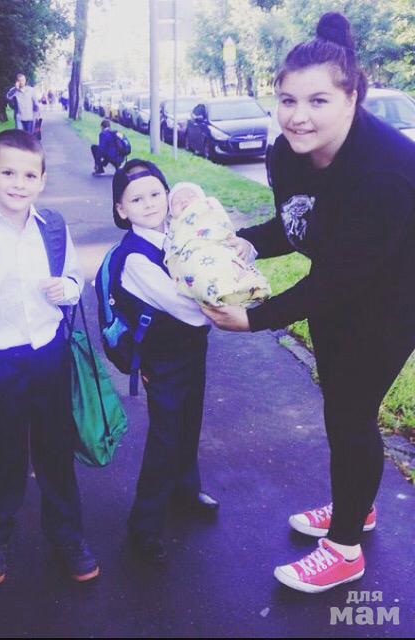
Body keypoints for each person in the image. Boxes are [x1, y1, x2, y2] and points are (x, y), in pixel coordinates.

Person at [204, 12, 415, 593]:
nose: (299, 116)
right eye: (288, 99)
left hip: (396, 298)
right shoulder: (287, 152)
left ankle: (345, 549)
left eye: (318, 101)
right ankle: (356, 508)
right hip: (343, 287)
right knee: (340, 409)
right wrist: (240, 243)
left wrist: (253, 319)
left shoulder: (387, 170)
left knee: (351, 413)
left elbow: (341, 278)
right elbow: (299, 224)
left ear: (352, 98)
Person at [0, 129, 99, 584]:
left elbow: (75, 279)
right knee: (3, 455)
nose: (18, 183)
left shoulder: (52, 227)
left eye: (29, 175)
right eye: (8, 173)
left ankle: (67, 535)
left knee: (56, 451)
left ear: (42, 180)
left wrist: (66, 288)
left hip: (48, 355)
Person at [109, 159, 219, 562]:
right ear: (121, 209)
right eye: (137, 199)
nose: (150, 203)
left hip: (192, 349)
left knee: (190, 422)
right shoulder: (136, 257)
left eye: (156, 193)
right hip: (162, 359)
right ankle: (144, 525)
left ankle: (185, 491)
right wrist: (222, 300)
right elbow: (188, 311)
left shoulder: (176, 234)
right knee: (165, 437)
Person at [164, 181, 271, 308]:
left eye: (191, 196)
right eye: (176, 202)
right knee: (203, 276)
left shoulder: (209, 210)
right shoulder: (175, 226)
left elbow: (223, 226)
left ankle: (248, 290)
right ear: (171, 214)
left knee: (230, 268)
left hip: (218, 248)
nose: (184, 201)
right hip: (194, 259)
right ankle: (222, 295)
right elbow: (172, 251)